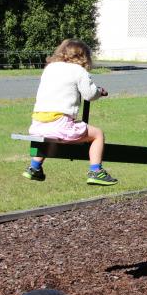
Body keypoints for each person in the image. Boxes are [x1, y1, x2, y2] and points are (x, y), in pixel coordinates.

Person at [22, 39, 117, 186]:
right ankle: (96, 171)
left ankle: (34, 167)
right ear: (84, 57)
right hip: (60, 123)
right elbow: (90, 94)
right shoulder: (79, 71)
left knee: (48, 135)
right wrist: (100, 92)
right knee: (98, 134)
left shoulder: (50, 68)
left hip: (38, 123)